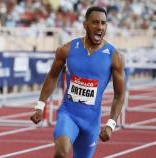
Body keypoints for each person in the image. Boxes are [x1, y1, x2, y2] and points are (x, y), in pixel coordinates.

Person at [30, 6, 125, 158]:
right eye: (95, 22)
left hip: (92, 121)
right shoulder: (67, 49)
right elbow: (53, 76)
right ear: (85, 25)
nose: (99, 27)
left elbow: (119, 95)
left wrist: (111, 124)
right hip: (69, 114)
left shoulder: (114, 57)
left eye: (103, 23)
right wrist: (40, 106)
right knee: (61, 152)